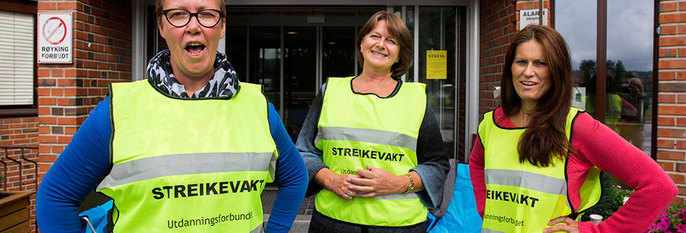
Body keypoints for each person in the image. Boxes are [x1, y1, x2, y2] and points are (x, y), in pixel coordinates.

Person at [35, 0, 308, 232]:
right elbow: (55, 199)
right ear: (161, 26)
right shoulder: (119, 110)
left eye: (207, 14)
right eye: (178, 14)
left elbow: (295, 178)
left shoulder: (257, 107)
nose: (193, 26)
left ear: (222, 26)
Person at [468, 24, 677, 233]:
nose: (528, 72)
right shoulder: (491, 123)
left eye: (541, 63)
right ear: (510, 67)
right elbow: (477, 163)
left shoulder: (577, 126)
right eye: (521, 61)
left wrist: (598, 231)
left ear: (556, 71)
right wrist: (487, 210)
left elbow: (659, 187)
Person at [296, 11, 450, 233]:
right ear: (361, 44)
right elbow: (303, 151)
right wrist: (330, 179)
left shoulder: (415, 99)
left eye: (391, 40)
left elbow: (437, 165)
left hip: (399, 227)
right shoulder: (330, 92)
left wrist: (397, 183)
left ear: (399, 55)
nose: (381, 44)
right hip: (332, 223)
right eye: (375, 36)